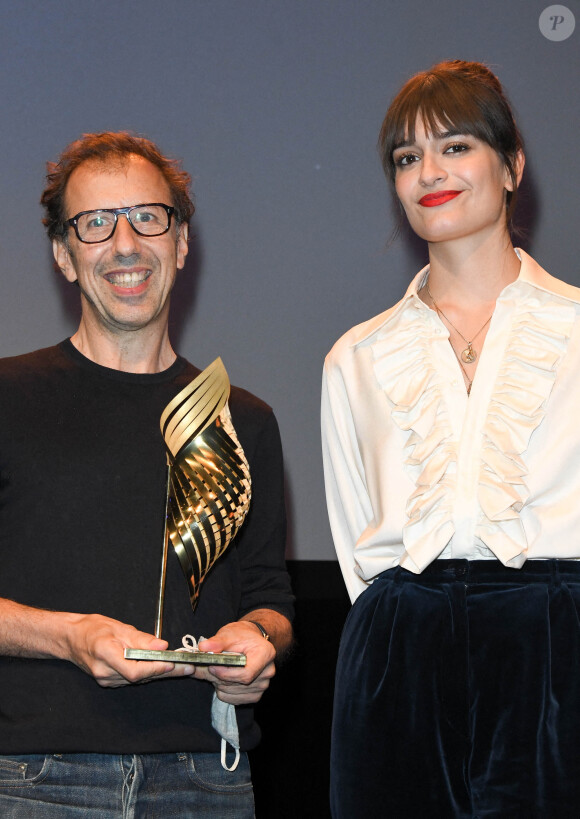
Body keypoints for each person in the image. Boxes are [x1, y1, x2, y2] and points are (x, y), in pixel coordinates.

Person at [0, 131, 293, 818]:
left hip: (207, 781)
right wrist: (68, 637)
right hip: (37, 780)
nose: (125, 243)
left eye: (147, 217)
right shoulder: (7, 399)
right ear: (63, 257)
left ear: (181, 243)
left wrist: (259, 639)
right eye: (95, 223)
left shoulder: (241, 418)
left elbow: (270, 596)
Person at [322, 60, 580, 818]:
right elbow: (353, 544)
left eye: (456, 147)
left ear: (512, 167)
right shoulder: (356, 356)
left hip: (558, 642)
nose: (428, 172)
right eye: (407, 157)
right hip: (399, 649)